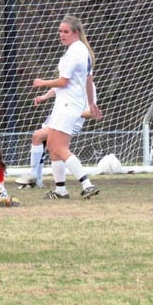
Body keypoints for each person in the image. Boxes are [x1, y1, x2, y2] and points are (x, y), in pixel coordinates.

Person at [32, 15, 102, 200]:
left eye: (65, 32)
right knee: (54, 148)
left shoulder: (75, 52)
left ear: (76, 33)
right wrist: (91, 103)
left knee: (59, 147)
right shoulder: (81, 50)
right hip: (67, 105)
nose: (61, 35)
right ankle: (60, 190)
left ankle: (87, 184)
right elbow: (87, 80)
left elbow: (63, 81)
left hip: (67, 106)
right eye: (60, 31)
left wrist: (42, 82)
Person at [15, 83, 102, 189]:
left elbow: (91, 113)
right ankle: (42, 183)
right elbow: (57, 87)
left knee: (39, 137)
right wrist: (44, 96)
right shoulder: (70, 77)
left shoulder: (88, 86)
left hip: (70, 123)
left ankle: (34, 176)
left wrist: (70, 112)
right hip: (56, 119)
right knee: (50, 148)